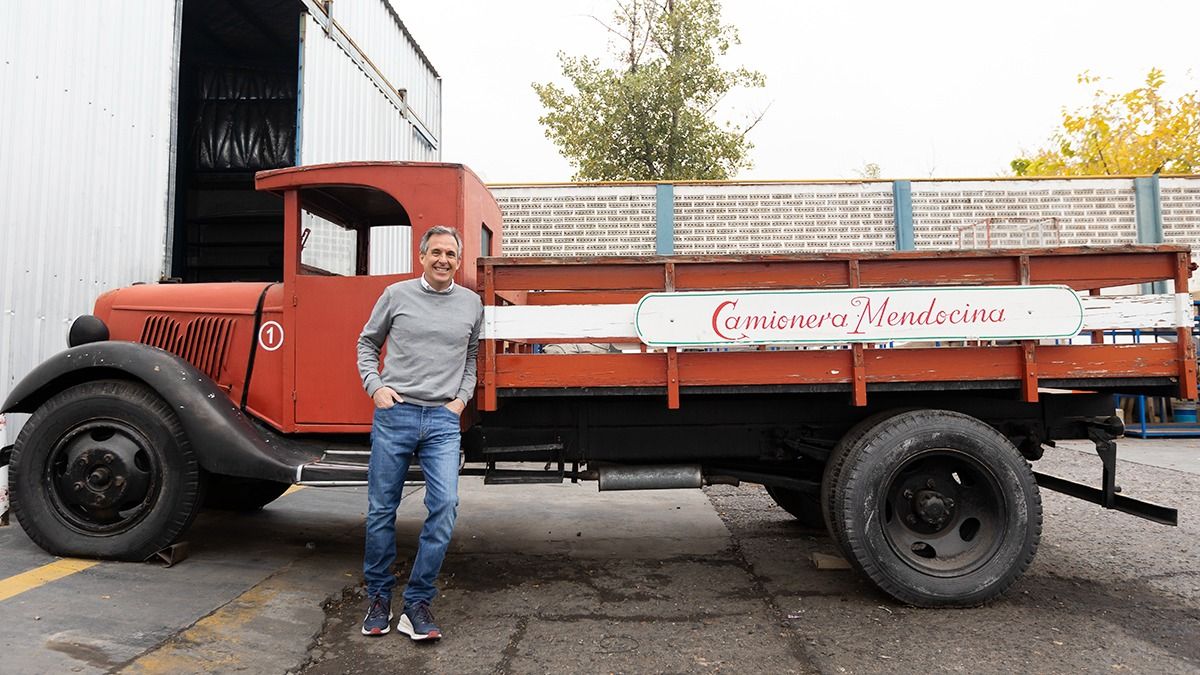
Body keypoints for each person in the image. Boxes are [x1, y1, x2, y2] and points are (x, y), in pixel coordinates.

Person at [355, 225, 483, 640]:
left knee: (445, 506)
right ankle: (378, 598)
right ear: (422, 256)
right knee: (381, 510)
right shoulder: (396, 295)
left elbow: (471, 357)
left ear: (458, 261)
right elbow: (366, 343)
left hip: (443, 421)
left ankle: (416, 604)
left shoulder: (471, 304)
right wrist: (376, 387)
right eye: (436, 252)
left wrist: (461, 400)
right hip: (397, 414)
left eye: (451, 254)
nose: (444, 260)